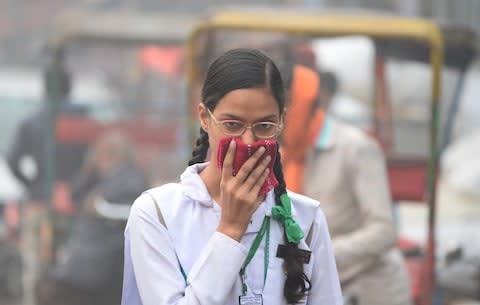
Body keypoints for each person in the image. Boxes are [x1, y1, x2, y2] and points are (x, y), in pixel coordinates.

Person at [121, 48, 342, 305]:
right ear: (204, 117)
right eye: (232, 125)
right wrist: (230, 229)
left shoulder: (306, 218)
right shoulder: (157, 213)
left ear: (281, 121)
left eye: (264, 126)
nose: (248, 142)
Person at [281, 67, 411, 305]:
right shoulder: (283, 155)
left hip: (370, 289)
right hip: (314, 285)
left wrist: (316, 254)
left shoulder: (356, 148)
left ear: (300, 104)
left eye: (285, 106)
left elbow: (384, 231)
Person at [36, 130, 149, 305]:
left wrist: (100, 206)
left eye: (103, 152)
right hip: (88, 259)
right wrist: (88, 171)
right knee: (46, 287)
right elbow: (75, 195)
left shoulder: (130, 178)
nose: (99, 157)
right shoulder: (102, 177)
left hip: (105, 259)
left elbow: (128, 210)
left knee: (53, 291)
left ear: (117, 153)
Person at [6, 64, 88, 203]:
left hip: (42, 196)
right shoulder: (84, 119)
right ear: (69, 87)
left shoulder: (31, 121)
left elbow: (12, 160)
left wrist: (32, 184)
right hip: (77, 195)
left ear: (45, 87)